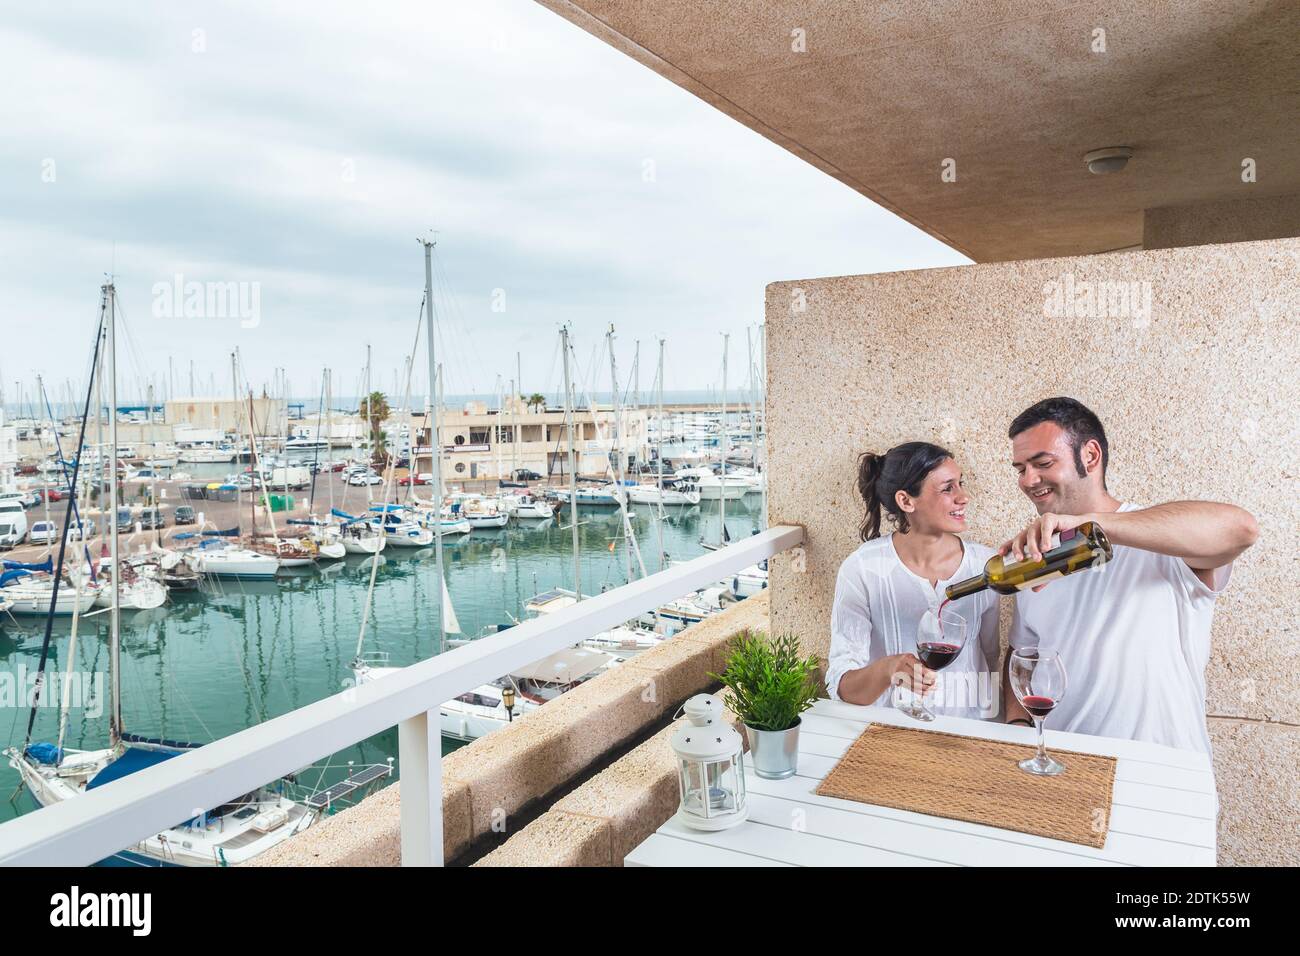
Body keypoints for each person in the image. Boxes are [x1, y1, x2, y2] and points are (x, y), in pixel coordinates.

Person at [1001, 397, 1258, 754]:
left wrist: (1092, 525)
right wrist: (1016, 728)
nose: (1028, 480)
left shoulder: (1161, 535)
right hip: (1063, 769)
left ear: (1090, 456)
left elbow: (1241, 528)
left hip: (1159, 776)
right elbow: (1022, 654)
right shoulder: (1034, 556)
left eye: (1042, 463)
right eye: (1019, 468)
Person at [828, 442, 1000, 719]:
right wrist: (888, 669)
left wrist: (991, 728)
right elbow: (842, 686)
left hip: (970, 734)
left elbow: (991, 658)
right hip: (890, 734)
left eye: (960, 484)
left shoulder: (986, 566)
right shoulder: (863, 569)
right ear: (906, 501)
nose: (963, 497)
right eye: (948, 488)